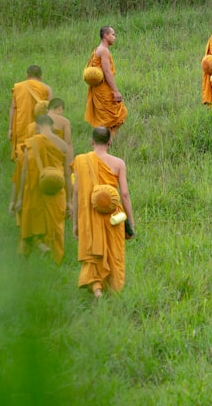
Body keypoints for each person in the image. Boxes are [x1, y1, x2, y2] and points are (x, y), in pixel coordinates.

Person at [71, 126, 135, 300]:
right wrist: (130, 220)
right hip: (113, 217)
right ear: (110, 142)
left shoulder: (81, 161)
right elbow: (125, 194)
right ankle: (114, 289)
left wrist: (76, 222)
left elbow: (76, 193)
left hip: (90, 216)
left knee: (93, 252)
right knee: (114, 253)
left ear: (91, 142)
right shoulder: (118, 163)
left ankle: (97, 288)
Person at [10, 115, 71, 262]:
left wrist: (18, 198)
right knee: (55, 225)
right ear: (52, 126)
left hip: (34, 188)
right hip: (56, 187)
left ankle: (33, 250)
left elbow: (24, 171)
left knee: (33, 219)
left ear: (37, 126)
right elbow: (68, 171)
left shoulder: (31, 143)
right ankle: (56, 260)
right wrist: (70, 199)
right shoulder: (62, 145)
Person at [8, 65, 51, 191]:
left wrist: (10, 129)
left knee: (22, 158)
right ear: (41, 77)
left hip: (21, 128)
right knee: (38, 155)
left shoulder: (19, 87)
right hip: (39, 128)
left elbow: (13, 108)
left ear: (27, 76)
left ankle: (23, 187)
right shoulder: (46, 88)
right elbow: (50, 111)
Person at [84, 26, 127, 133]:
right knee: (117, 116)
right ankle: (105, 144)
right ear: (105, 35)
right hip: (104, 90)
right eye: (113, 34)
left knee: (107, 120)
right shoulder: (104, 51)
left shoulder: (97, 50)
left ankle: (103, 143)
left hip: (98, 90)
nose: (114, 37)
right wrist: (116, 91)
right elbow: (107, 72)